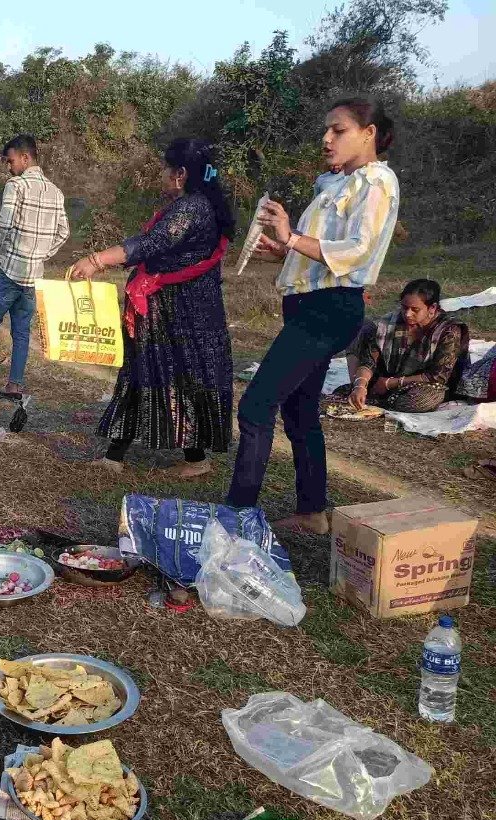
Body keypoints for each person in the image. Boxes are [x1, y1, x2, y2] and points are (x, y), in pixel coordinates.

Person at [227, 97, 400, 534]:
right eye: (326, 130)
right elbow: (318, 251)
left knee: (255, 405)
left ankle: (237, 517)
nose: (326, 138)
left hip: (329, 309)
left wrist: (291, 235)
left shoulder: (377, 182)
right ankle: (311, 511)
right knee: (300, 410)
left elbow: (358, 251)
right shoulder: (340, 183)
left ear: (369, 133)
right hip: (311, 304)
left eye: (338, 130)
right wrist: (284, 249)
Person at [69, 139, 236, 478]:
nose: (161, 174)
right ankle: (120, 456)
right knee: (150, 373)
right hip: (180, 311)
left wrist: (96, 260)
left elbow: (149, 244)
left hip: (179, 313)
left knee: (166, 375)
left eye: (165, 168)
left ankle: (190, 459)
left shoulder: (191, 208)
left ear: (180, 174)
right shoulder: (195, 205)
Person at [0, 134, 69, 396]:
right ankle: (15, 385)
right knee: (21, 332)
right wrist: (41, 254)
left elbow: (5, 222)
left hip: (9, 270)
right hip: (33, 275)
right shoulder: (55, 191)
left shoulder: (16, 185)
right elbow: (63, 231)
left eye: (10, 161)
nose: (9, 167)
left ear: (25, 158)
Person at [334, 279, 469, 414]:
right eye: (404, 307)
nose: (407, 314)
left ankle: (378, 398)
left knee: (418, 400)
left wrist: (390, 383)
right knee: (361, 325)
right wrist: (360, 385)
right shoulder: (391, 323)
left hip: (425, 385)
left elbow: (438, 376)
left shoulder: (448, 330)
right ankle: (362, 392)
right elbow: (370, 360)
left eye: (415, 309)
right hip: (387, 377)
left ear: (432, 308)